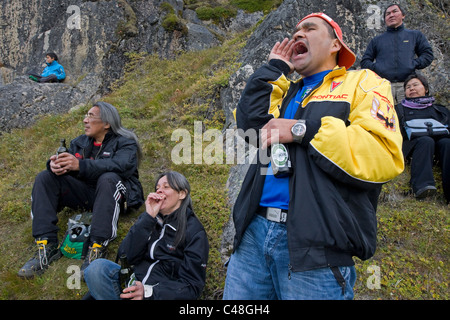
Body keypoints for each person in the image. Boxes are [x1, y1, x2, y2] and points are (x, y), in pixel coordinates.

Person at [223, 12, 404, 300]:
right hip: (253, 235)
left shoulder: (362, 83)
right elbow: (249, 126)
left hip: (316, 246)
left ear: (335, 45)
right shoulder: (285, 90)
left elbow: (382, 153)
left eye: (309, 28)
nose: (297, 34)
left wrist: (300, 130)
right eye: (295, 31)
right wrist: (273, 69)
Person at [18, 101, 144, 278]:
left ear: (106, 123)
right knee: (45, 177)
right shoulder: (80, 143)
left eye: (91, 116)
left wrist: (81, 165)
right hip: (87, 195)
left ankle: (97, 248)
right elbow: (67, 163)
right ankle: (46, 246)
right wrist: (55, 165)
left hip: (115, 196)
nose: (85, 120)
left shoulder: (125, 142)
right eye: (85, 116)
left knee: (108, 178)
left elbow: (123, 166)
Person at [83, 171, 209, 300]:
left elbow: (192, 287)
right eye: (157, 188)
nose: (160, 191)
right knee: (96, 269)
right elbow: (125, 256)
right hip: (131, 283)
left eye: (166, 187)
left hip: (158, 295)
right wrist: (148, 218)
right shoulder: (149, 220)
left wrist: (148, 292)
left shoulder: (195, 232)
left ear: (182, 193)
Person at [360, 4, 434, 104]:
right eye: (388, 14)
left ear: (403, 15)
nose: (391, 15)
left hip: (407, 87)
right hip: (383, 86)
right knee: (384, 118)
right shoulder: (377, 40)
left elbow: (427, 54)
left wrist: (413, 64)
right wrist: (378, 68)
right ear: (385, 19)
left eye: (395, 11)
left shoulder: (414, 35)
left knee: (409, 116)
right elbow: (365, 61)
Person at [395, 73, 450, 202]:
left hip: (439, 147)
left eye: (415, 85)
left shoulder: (439, 110)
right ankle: (422, 186)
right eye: (408, 87)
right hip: (413, 146)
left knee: (447, 143)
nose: (411, 88)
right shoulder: (399, 109)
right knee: (426, 141)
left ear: (425, 89)